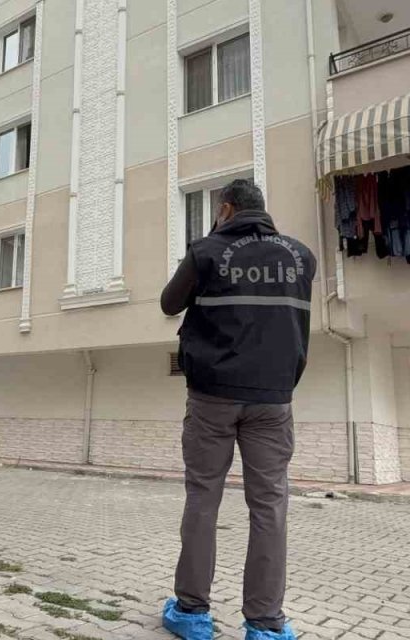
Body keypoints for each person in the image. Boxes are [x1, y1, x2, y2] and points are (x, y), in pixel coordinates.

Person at [159, 179, 315, 640]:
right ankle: (265, 624)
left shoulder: (206, 251)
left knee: (203, 498)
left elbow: (169, 304)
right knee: (269, 506)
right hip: (273, 399)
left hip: (212, 397)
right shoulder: (300, 255)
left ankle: (191, 613)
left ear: (225, 209)